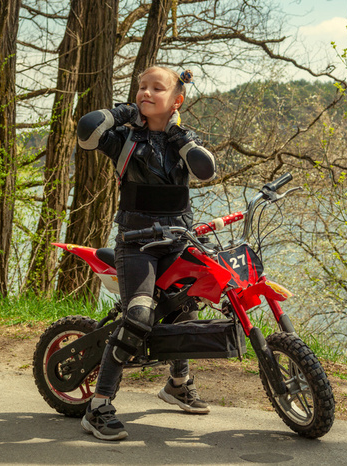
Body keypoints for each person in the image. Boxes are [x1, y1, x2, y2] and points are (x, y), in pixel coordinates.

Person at [75, 66, 217, 441]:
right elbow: (86, 133)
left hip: (177, 240)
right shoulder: (124, 139)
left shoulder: (182, 141)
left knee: (186, 307)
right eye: (141, 87)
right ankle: (99, 406)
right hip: (136, 243)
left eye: (157, 88)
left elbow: (206, 171)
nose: (146, 92)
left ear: (177, 101)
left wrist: (178, 134)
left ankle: (177, 384)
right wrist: (121, 113)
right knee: (138, 316)